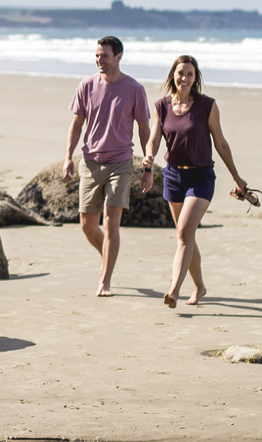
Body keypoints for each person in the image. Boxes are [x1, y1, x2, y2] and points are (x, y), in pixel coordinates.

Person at [142, 54, 250, 308]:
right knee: (187, 234)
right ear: (173, 76)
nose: (185, 78)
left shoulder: (207, 106)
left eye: (190, 74)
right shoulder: (161, 106)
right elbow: (154, 138)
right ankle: (200, 287)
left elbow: (220, 143)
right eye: (181, 73)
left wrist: (236, 176)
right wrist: (149, 155)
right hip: (173, 175)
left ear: (195, 78)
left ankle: (173, 290)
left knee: (183, 232)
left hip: (201, 176)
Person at [62, 36, 152, 296]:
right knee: (88, 225)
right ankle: (108, 256)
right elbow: (77, 124)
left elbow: (144, 128)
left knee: (112, 222)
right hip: (90, 163)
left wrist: (148, 164)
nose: (100, 60)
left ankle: (105, 280)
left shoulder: (135, 89)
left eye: (104, 56)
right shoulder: (87, 85)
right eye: (97, 56)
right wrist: (68, 156)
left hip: (121, 163)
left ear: (118, 57)